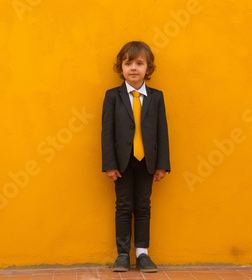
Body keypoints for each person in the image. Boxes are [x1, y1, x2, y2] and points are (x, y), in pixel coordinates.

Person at [101, 41, 171, 273]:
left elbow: (162, 132)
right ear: (120, 68)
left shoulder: (156, 97)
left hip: (147, 162)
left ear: (148, 69)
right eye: (128, 63)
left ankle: (142, 253)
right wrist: (109, 165)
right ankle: (122, 255)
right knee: (123, 206)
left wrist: (162, 165)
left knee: (143, 206)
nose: (133, 68)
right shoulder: (113, 96)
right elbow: (107, 132)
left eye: (139, 63)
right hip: (122, 162)